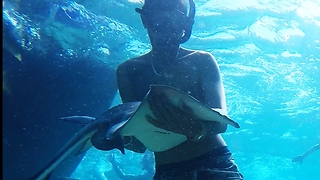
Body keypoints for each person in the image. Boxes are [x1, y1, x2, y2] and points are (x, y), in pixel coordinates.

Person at [116, 0, 243, 179]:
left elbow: (221, 121)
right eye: (159, 21)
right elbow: (138, 144)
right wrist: (114, 137)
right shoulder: (128, 71)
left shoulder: (202, 61)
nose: (167, 31)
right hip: (169, 171)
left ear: (186, 24)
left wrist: (194, 129)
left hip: (215, 163)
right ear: (145, 20)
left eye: (175, 21)